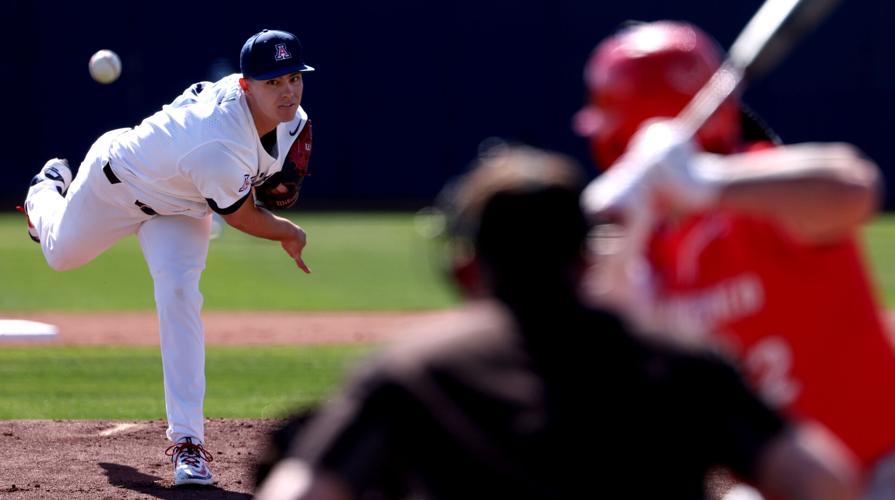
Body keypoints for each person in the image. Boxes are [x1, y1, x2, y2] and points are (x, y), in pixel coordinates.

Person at [254, 145, 859, 500]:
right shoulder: (683, 361)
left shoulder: (417, 371)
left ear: (468, 264)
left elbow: (300, 493)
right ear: (586, 256)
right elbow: (823, 481)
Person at [577, 20, 895, 497]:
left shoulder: (760, 193)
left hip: (877, 473)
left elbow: (854, 189)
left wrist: (707, 183)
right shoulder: (637, 235)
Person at [19, 28, 315, 486]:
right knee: (59, 254)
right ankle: (45, 189)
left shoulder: (292, 121)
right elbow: (242, 217)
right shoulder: (217, 143)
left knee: (179, 294)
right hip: (117, 184)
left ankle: (188, 443)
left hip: (182, 207)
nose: (287, 91)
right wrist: (288, 231)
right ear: (245, 85)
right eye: (272, 82)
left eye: (294, 77)